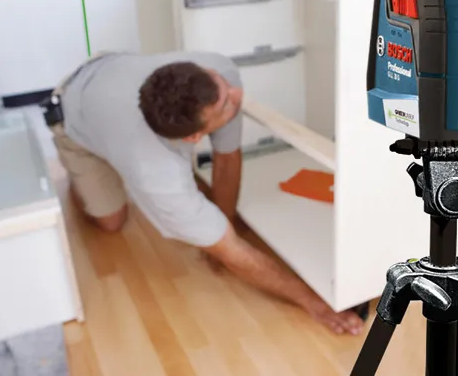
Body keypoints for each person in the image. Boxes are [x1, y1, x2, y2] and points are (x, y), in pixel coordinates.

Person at [46, 50, 364, 335]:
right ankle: (82, 175)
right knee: (111, 221)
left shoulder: (215, 70)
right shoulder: (157, 173)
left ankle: (114, 156)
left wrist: (223, 220)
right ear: (195, 136)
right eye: (227, 104)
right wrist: (313, 303)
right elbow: (230, 251)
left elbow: (227, 156)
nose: (237, 94)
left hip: (104, 69)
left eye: (224, 90)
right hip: (73, 115)